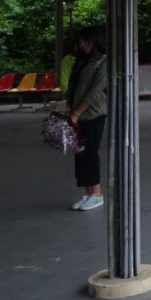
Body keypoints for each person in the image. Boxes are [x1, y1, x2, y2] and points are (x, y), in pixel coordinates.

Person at [67, 26, 108, 211]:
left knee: (90, 152)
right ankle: (87, 193)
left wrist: (76, 113)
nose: (82, 45)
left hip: (93, 114)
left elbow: (94, 92)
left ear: (95, 41)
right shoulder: (84, 61)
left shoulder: (104, 62)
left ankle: (97, 193)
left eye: (85, 41)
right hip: (78, 113)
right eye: (80, 41)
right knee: (80, 153)